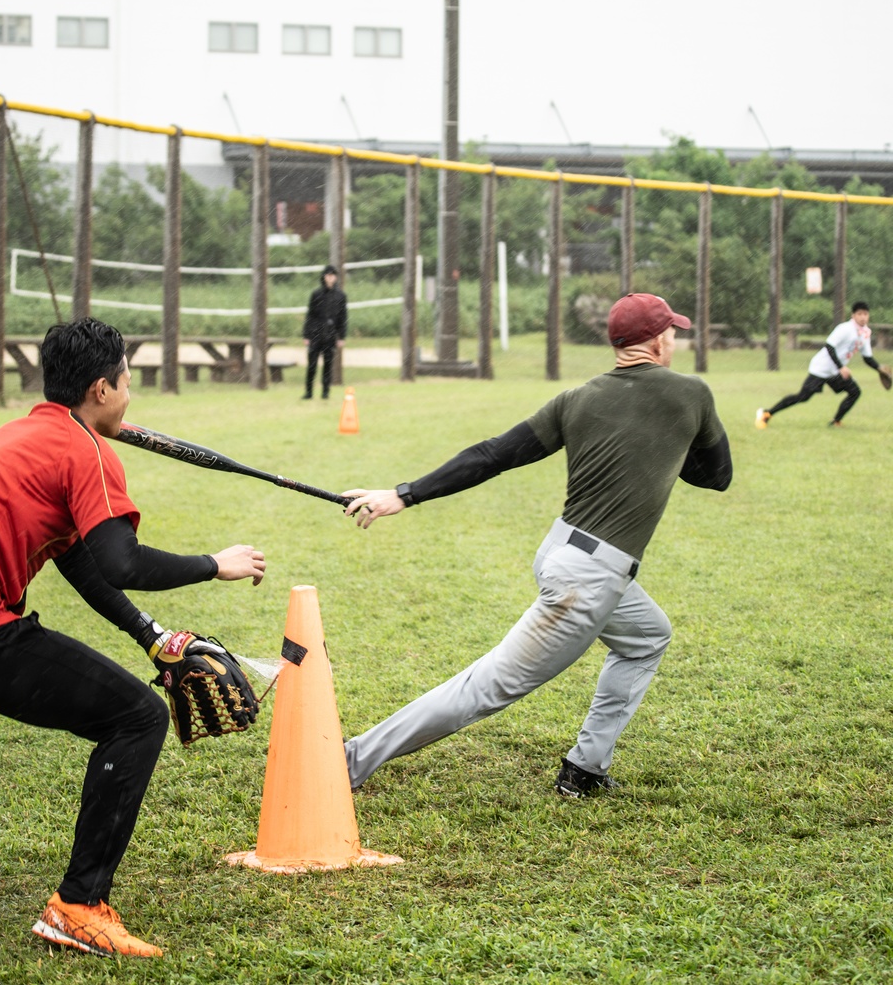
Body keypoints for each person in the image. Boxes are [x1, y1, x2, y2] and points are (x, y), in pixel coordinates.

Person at [0, 318, 266, 959]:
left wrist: (150, 637)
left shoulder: (29, 433)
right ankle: (78, 906)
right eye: (127, 382)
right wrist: (214, 563)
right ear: (101, 389)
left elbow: (81, 561)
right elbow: (122, 562)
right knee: (137, 717)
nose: (128, 396)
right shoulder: (83, 449)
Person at [341, 293, 732, 798]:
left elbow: (493, 455)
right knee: (485, 688)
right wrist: (669, 441)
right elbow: (717, 476)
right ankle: (350, 759)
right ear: (657, 341)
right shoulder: (691, 393)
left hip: (562, 553)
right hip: (587, 582)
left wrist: (405, 493)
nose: (675, 340)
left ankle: (584, 769)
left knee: (647, 637)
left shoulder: (577, 399)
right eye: (672, 332)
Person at [756, 301, 882, 429]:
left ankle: (836, 421)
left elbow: (867, 357)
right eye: (859, 314)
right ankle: (766, 413)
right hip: (822, 368)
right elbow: (829, 346)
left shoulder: (865, 333)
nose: (863, 317)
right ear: (853, 315)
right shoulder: (845, 329)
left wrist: (880, 369)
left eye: (865, 314)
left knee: (855, 392)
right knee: (803, 397)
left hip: (835, 371)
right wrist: (841, 367)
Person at [302, 265, 347, 400]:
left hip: (330, 335)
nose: (330, 278)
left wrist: (341, 336)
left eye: (332, 275)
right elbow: (310, 315)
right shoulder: (316, 294)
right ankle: (309, 392)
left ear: (336, 277)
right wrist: (306, 335)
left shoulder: (340, 296)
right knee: (312, 365)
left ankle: (325, 392)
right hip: (315, 334)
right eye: (328, 275)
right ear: (324, 277)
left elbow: (343, 317)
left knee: (328, 365)